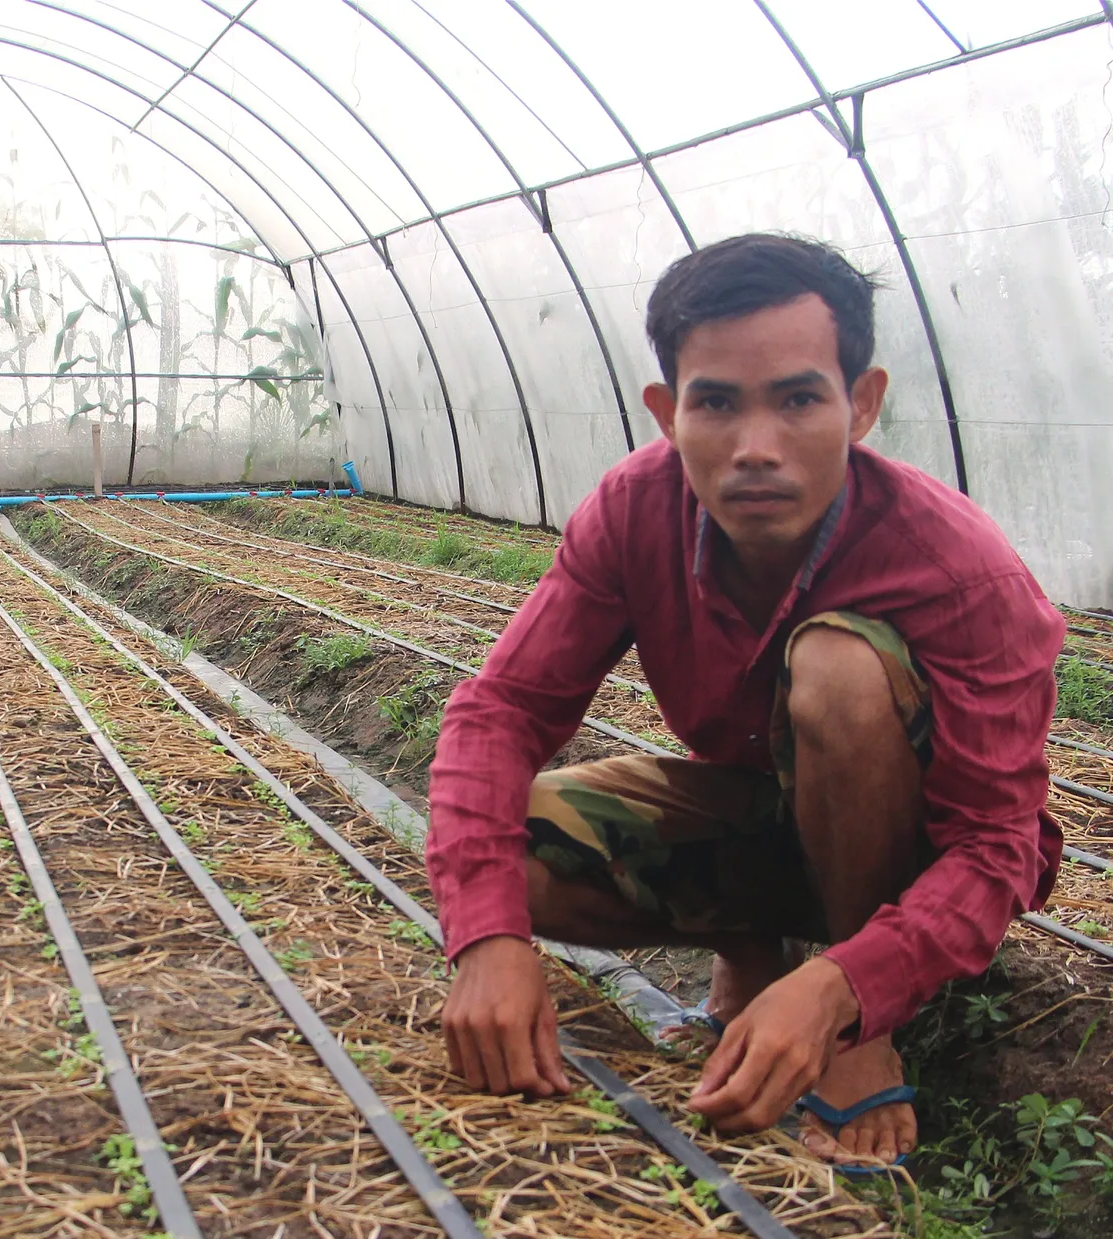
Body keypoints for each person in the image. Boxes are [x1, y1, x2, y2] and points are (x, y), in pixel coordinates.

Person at [427, 232, 1064, 1169]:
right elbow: (501, 712)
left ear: (862, 405)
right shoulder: (634, 511)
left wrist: (849, 990)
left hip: (915, 848)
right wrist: (486, 942)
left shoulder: (955, 570)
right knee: (503, 856)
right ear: (665, 413)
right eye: (716, 403)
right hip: (764, 810)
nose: (755, 448)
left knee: (842, 670)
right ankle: (754, 950)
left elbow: (996, 846)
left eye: (799, 399)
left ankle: (854, 1023)